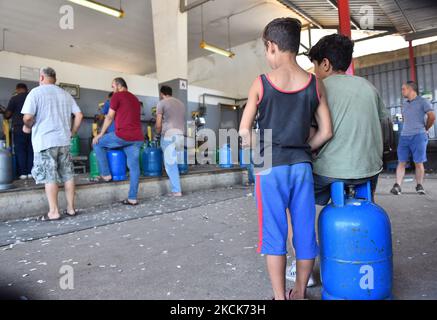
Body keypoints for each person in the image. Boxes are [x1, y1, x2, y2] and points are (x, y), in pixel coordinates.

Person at [239, 18, 333, 300]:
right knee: (304, 234)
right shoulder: (314, 84)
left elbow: (244, 133)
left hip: (271, 167)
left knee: (274, 235)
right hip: (302, 167)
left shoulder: (261, 83)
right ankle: (300, 293)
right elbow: (326, 131)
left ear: (272, 47)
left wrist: (268, 144)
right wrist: (303, 148)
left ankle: (280, 298)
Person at [307, 34, 388, 206]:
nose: (315, 71)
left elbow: (311, 133)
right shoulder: (369, 87)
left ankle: (304, 232)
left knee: (298, 194)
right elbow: (380, 125)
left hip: (330, 172)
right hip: (370, 169)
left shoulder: (318, 88)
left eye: (315, 65)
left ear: (326, 64)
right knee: (366, 195)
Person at [21, 67, 83, 221]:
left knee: (50, 177)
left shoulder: (35, 93)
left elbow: (28, 117)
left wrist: (27, 126)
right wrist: (72, 131)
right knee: (68, 175)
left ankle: (54, 212)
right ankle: (71, 209)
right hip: (63, 141)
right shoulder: (65, 94)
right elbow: (79, 115)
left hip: (45, 141)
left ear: (42, 77)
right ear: (54, 78)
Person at [93, 78, 144, 205]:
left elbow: (109, 116)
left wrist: (101, 134)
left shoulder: (117, 96)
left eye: (112, 86)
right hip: (137, 138)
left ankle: (105, 174)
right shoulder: (135, 99)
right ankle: (132, 198)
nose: (112, 89)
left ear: (118, 85)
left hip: (123, 135)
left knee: (97, 143)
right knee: (134, 167)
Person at [391, 81, 435, 195]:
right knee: (401, 161)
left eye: (403, 89)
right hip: (404, 136)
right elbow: (406, 119)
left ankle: (419, 185)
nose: (402, 91)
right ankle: (397, 186)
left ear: (411, 89)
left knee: (418, 162)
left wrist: (426, 128)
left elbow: (432, 116)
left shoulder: (423, 101)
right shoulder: (404, 104)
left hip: (418, 136)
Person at [156, 85, 186, 197]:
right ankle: (176, 187)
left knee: (170, 164)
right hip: (180, 134)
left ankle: (176, 190)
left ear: (161, 93)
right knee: (175, 162)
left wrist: (157, 133)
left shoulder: (161, 103)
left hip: (169, 134)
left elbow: (158, 123)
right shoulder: (181, 104)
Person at [3, 83, 34, 180]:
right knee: (31, 150)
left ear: (17, 89)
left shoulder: (14, 98)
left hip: (19, 128)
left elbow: (7, 115)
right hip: (32, 127)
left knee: (20, 150)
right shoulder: (32, 97)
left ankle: (23, 174)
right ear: (26, 89)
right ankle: (31, 172)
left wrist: (4, 112)